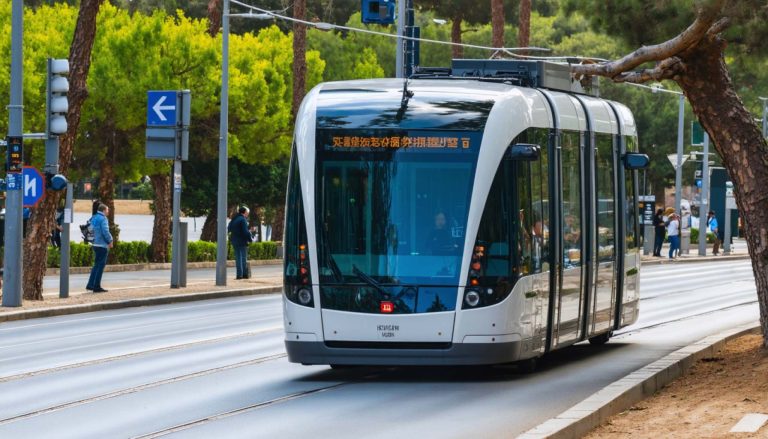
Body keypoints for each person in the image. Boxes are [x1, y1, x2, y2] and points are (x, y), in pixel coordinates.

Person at [86, 204, 113, 292]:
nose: (108, 212)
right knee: (100, 266)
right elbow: (105, 231)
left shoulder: (94, 217)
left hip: (94, 244)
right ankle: (96, 287)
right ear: (104, 210)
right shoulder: (103, 218)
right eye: (107, 210)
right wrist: (110, 241)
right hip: (102, 245)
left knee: (96, 265)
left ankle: (90, 285)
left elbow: (90, 228)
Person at [228, 206, 254, 279]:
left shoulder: (234, 219)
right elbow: (245, 232)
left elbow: (229, 228)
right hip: (242, 241)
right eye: (247, 213)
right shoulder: (243, 220)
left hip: (234, 241)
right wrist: (250, 239)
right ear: (245, 212)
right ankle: (244, 274)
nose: (247, 214)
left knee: (238, 258)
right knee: (243, 258)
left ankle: (239, 275)